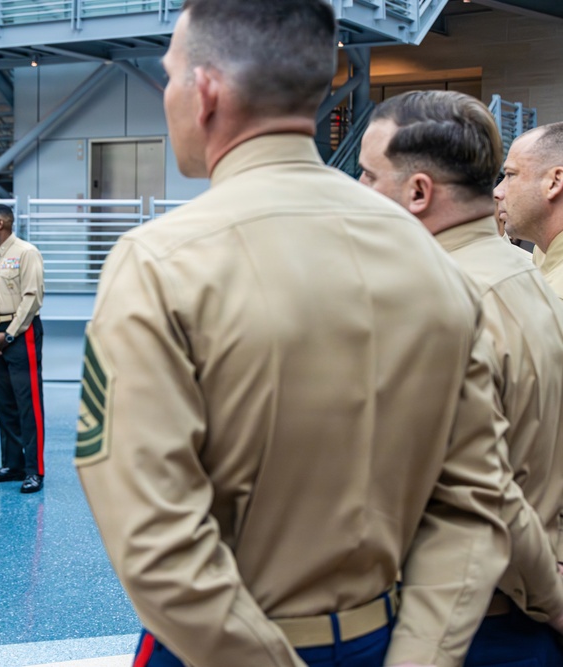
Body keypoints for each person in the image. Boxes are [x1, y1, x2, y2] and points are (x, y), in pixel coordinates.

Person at [76, 2, 516, 666]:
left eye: (170, 75)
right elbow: (475, 502)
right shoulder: (429, 257)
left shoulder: (160, 263)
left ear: (206, 92)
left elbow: (156, 543)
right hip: (390, 637)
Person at [359, 90, 563, 666]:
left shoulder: (436, 300)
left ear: (419, 192)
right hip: (518, 612)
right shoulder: (527, 276)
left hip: (464, 622)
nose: (361, 193)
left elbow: (479, 486)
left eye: (371, 177)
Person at [0, 204, 46, 494]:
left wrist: (9, 334)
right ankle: (12, 465)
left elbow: (32, 298)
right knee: (4, 403)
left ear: (1, 223)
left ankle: (34, 470)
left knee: (28, 404)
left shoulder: (26, 253)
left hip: (22, 334)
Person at [494, 122, 563, 298]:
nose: (497, 192)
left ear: (554, 182)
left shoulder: (556, 300)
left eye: (510, 175)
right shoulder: (544, 251)